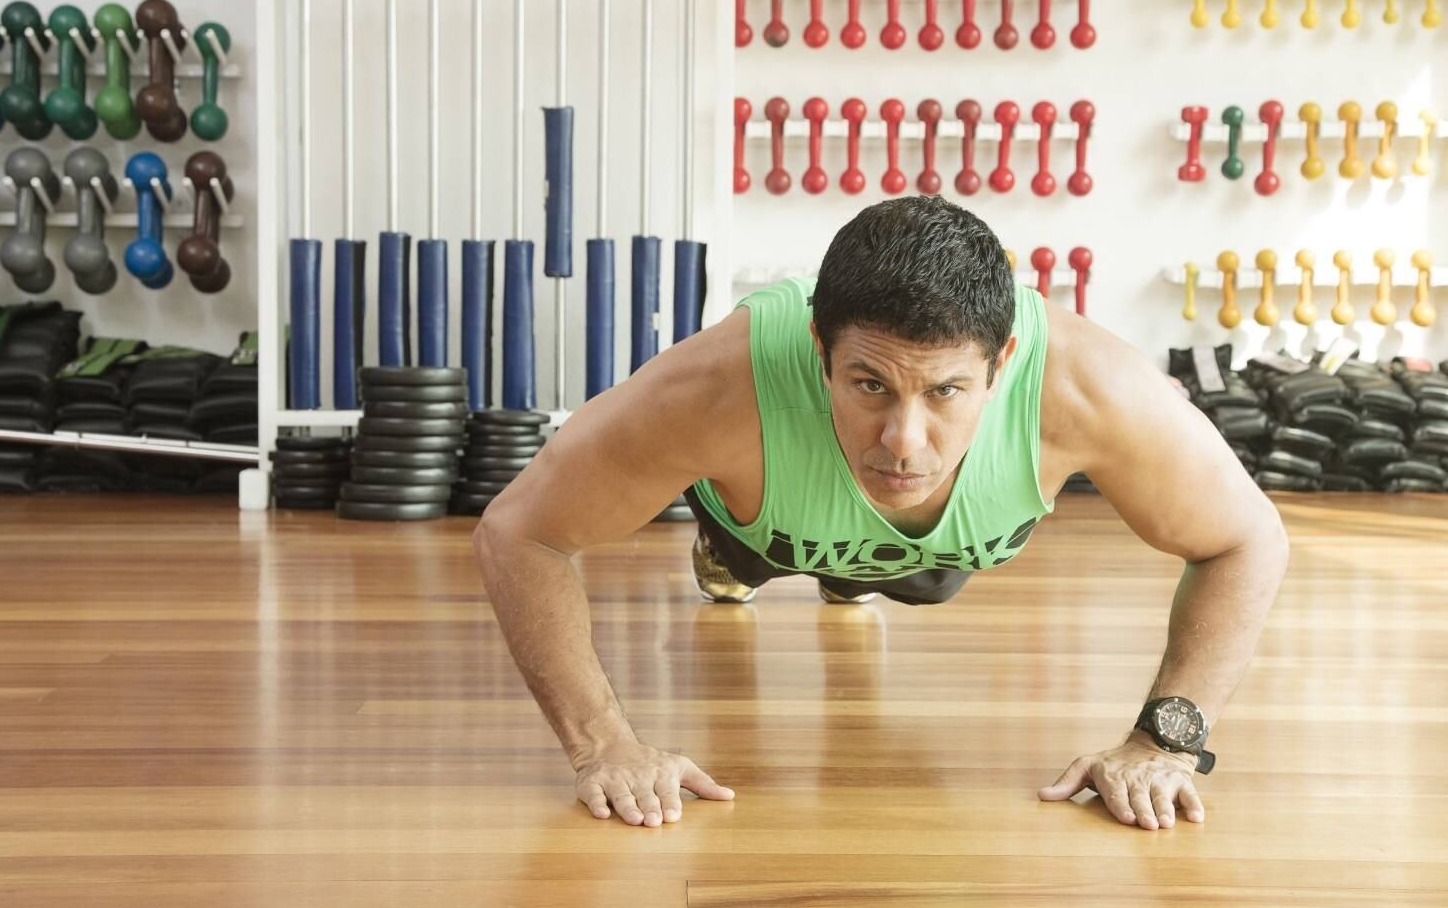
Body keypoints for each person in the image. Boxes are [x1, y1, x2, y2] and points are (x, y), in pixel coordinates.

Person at [474, 197, 1288, 833]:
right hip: (758, 521)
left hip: (937, 555)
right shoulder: (715, 388)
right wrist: (601, 749)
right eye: (869, 385)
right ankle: (734, 560)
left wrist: (1163, 745)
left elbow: (1246, 539)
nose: (904, 441)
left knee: (922, 582)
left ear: (1001, 363)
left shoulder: (1090, 387)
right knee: (740, 553)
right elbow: (521, 531)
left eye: (944, 392)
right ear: (819, 346)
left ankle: (851, 577)